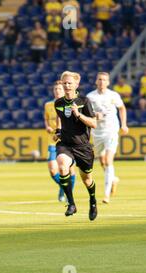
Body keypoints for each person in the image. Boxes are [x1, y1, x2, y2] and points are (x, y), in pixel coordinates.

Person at [53, 71, 98, 220]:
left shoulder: (84, 101)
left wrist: (78, 114)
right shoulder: (58, 103)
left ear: (76, 84)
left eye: (69, 83)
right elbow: (60, 120)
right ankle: (71, 203)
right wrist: (58, 132)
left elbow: (94, 123)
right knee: (62, 165)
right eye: (64, 83)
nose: (66, 85)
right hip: (65, 144)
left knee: (87, 179)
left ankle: (92, 201)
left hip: (83, 147)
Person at [87, 72, 128, 204]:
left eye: (104, 80)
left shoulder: (113, 95)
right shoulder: (90, 96)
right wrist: (94, 115)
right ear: (96, 81)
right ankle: (113, 179)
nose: (102, 82)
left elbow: (122, 108)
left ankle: (106, 195)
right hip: (97, 132)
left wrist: (124, 124)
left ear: (108, 82)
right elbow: (86, 113)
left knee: (109, 161)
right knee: (102, 162)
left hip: (111, 130)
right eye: (99, 79)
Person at [44, 80, 76, 202]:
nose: (57, 91)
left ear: (64, 90)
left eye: (60, 89)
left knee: (69, 168)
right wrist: (47, 126)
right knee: (53, 170)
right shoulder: (48, 105)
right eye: (55, 89)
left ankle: (68, 195)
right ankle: (64, 187)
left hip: (66, 141)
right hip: (52, 141)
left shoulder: (69, 104)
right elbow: (46, 118)